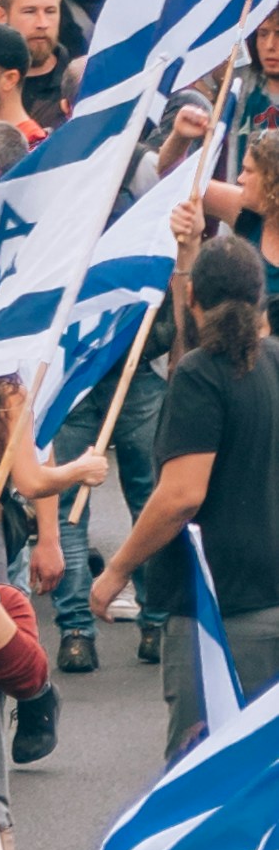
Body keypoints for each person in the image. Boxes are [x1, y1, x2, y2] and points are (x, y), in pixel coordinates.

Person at [90, 237, 279, 749]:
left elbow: (180, 496)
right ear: (259, 296)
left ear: (192, 296)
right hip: (270, 597)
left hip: (219, 614)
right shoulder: (274, 362)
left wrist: (118, 569)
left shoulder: (201, 374)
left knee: (202, 773)